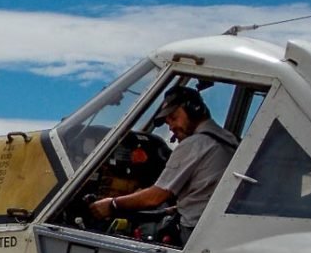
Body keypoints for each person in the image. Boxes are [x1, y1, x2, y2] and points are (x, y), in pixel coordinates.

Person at [89, 86, 238, 244]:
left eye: (174, 118)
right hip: (215, 228)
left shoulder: (195, 144)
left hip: (194, 234)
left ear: (195, 109)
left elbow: (154, 198)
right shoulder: (229, 139)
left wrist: (112, 204)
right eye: (168, 123)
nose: (172, 127)